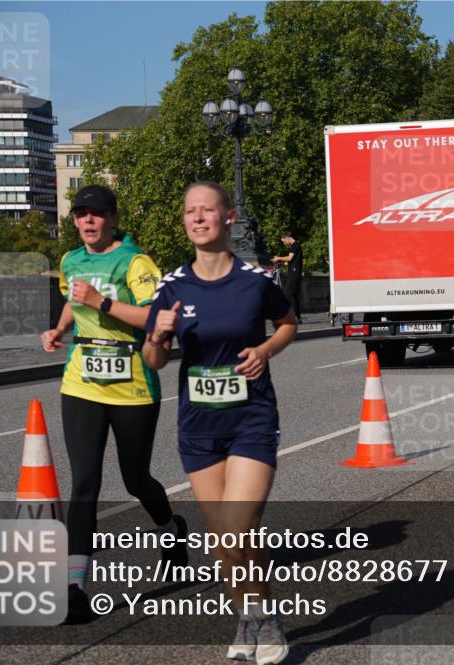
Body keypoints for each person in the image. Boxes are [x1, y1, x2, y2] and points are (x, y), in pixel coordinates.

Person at [143, 182, 297, 664]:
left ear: (228, 217)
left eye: (208, 209)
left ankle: (267, 622)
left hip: (251, 418)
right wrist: (160, 336)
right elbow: (154, 361)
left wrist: (266, 350)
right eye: (190, 211)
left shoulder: (255, 280)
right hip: (198, 427)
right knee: (225, 543)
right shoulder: (171, 287)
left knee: (237, 527)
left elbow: (289, 322)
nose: (198, 217)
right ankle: (248, 619)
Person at [40, 184, 185, 624]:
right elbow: (72, 300)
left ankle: (171, 528)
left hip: (133, 384)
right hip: (81, 382)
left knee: (135, 478)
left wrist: (102, 301)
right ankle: (75, 589)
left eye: (96, 215)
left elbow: (154, 318)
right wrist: (60, 329)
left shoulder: (135, 262)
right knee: (84, 483)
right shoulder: (70, 259)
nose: (87, 222)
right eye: (81, 214)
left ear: (114, 219)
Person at [272, 231, 303, 323]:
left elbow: (289, 258)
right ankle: (297, 317)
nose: (284, 243)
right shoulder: (295, 246)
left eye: (283, 241)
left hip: (294, 273)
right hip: (294, 272)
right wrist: (281, 263)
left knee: (289, 294)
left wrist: (278, 258)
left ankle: (294, 316)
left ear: (287, 238)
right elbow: (291, 261)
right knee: (293, 295)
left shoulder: (295, 245)